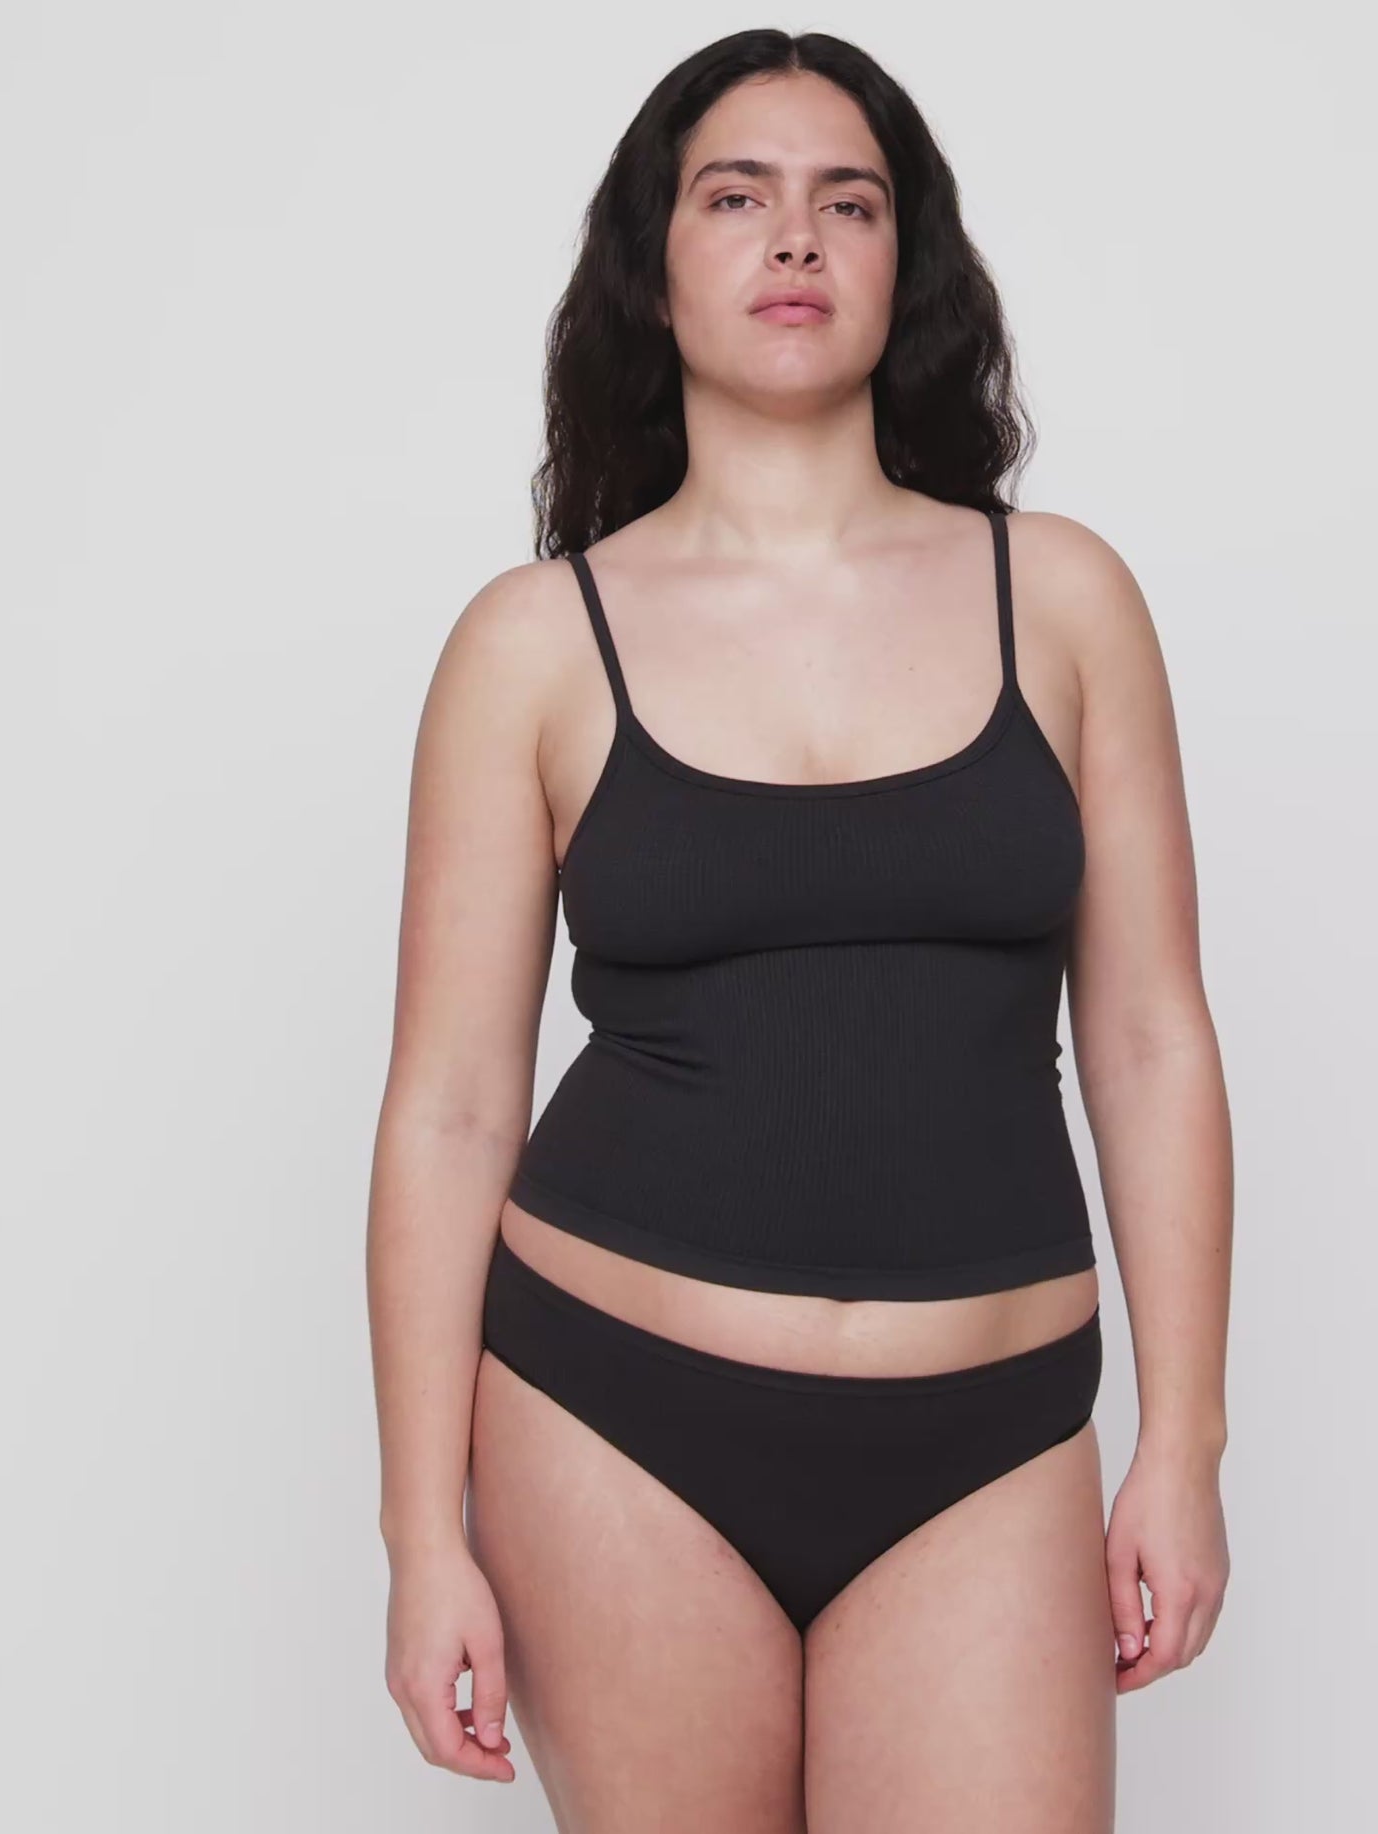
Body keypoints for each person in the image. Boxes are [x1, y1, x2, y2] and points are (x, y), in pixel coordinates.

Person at [367, 27, 1233, 1832]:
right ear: (652, 267)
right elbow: (448, 1105)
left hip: (990, 1434)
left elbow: (1153, 1040)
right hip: (613, 1419)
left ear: (907, 264)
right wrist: (419, 1534)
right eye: (735, 197)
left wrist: (1184, 1442)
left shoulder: (1063, 599)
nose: (793, 237)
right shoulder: (532, 643)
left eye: (848, 202)